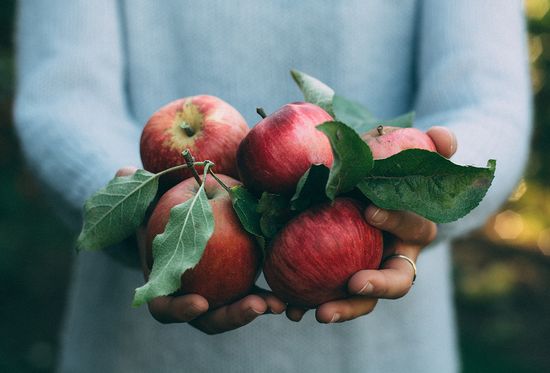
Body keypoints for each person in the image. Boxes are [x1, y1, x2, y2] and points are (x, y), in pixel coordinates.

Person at [14, 1, 531, 372]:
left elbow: (489, 101)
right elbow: (62, 98)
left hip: (382, 345)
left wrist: (421, 201)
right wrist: (146, 220)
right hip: (138, 348)